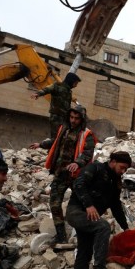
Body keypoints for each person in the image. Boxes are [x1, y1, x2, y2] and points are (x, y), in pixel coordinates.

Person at [67, 151, 132, 269]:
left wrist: (126, 228)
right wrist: (89, 205)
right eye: (122, 167)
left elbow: (116, 206)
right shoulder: (95, 168)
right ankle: (99, 266)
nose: (123, 171)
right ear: (113, 161)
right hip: (76, 211)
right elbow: (79, 183)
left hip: (90, 219)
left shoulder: (115, 182)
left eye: (125, 169)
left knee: (85, 252)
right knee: (103, 226)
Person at [32, 103, 96, 244]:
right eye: (71, 117)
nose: (73, 120)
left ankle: (87, 235)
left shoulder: (86, 134)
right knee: (55, 205)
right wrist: (41, 145)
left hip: (76, 177)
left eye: (76, 118)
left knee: (84, 206)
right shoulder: (64, 129)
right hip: (61, 174)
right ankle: (61, 236)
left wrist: (77, 163)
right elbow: (56, 142)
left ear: (82, 119)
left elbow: (87, 153)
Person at [32, 72, 80, 137]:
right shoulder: (57, 86)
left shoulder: (69, 91)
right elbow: (47, 89)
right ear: (71, 81)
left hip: (64, 118)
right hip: (56, 118)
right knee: (55, 137)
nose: (75, 85)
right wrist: (38, 94)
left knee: (62, 137)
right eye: (75, 83)